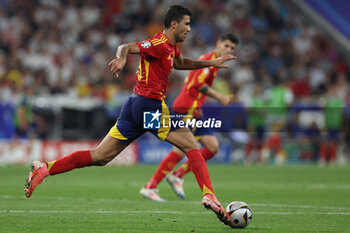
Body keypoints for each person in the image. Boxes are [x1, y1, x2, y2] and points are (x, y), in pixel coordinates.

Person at [24, 5, 235, 226]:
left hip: (134, 106)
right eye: (187, 24)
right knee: (192, 145)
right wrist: (123, 58)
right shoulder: (159, 43)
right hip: (150, 106)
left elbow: (181, 63)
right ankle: (209, 195)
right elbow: (125, 46)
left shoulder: (171, 48)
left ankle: (45, 168)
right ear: (174, 24)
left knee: (100, 156)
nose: (189, 29)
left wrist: (211, 63)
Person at [140, 33, 239, 201]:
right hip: (184, 110)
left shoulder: (214, 64)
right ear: (218, 43)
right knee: (180, 149)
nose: (228, 50)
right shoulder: (208, 61)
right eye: (227, 45)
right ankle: (150, 186)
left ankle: (177, 175)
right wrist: (220, 97)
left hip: (195, 112)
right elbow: (197, 84)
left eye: (232, 48)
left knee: (213, 147)